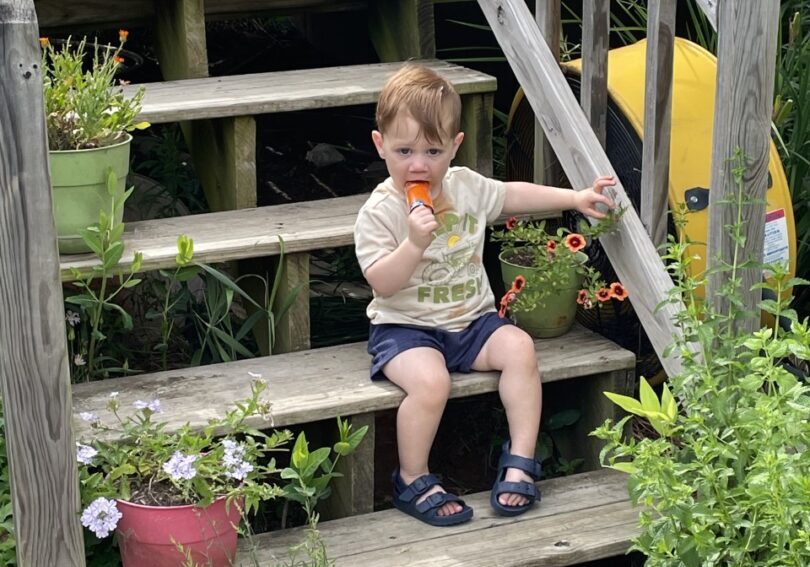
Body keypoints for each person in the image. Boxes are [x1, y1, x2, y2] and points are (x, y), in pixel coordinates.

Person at [353, 63, 616, 526]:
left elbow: (513, 195)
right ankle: (412, 477)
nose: (419, 164)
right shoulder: (380, 211)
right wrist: (414, 242)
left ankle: (520, 458)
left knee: (519, 347)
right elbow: (382, 283)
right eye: (404, 150)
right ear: (380, 146)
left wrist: (572, 199)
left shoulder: (466, 187)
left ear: (454, 147)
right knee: (430, 382)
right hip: (406, 329)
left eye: (433, 150)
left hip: (472, 323)